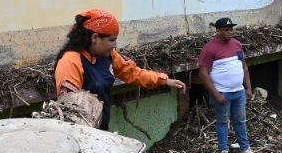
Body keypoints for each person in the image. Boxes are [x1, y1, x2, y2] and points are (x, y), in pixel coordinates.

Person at [54, 9, 186, 131]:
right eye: (111, 40)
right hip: (83, 134)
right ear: (94, 38)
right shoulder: (70, 62)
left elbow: (133, 73)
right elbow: (70, 111)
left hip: (101, 128)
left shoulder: (108, 55)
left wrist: (164, 80)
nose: (114, 45)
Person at [199, 17, 257, 153]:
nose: (229, 32)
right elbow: (203, 74)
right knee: (223, 122)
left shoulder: (237, 44)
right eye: (226, 30)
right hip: (222, 93)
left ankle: (245, 148)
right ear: (218, 31)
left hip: (239, 92)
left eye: (231, 29)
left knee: (240, 120)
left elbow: (244, 66)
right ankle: (224, 150)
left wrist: (248, 88)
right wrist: (216, 94)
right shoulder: (210, 48)